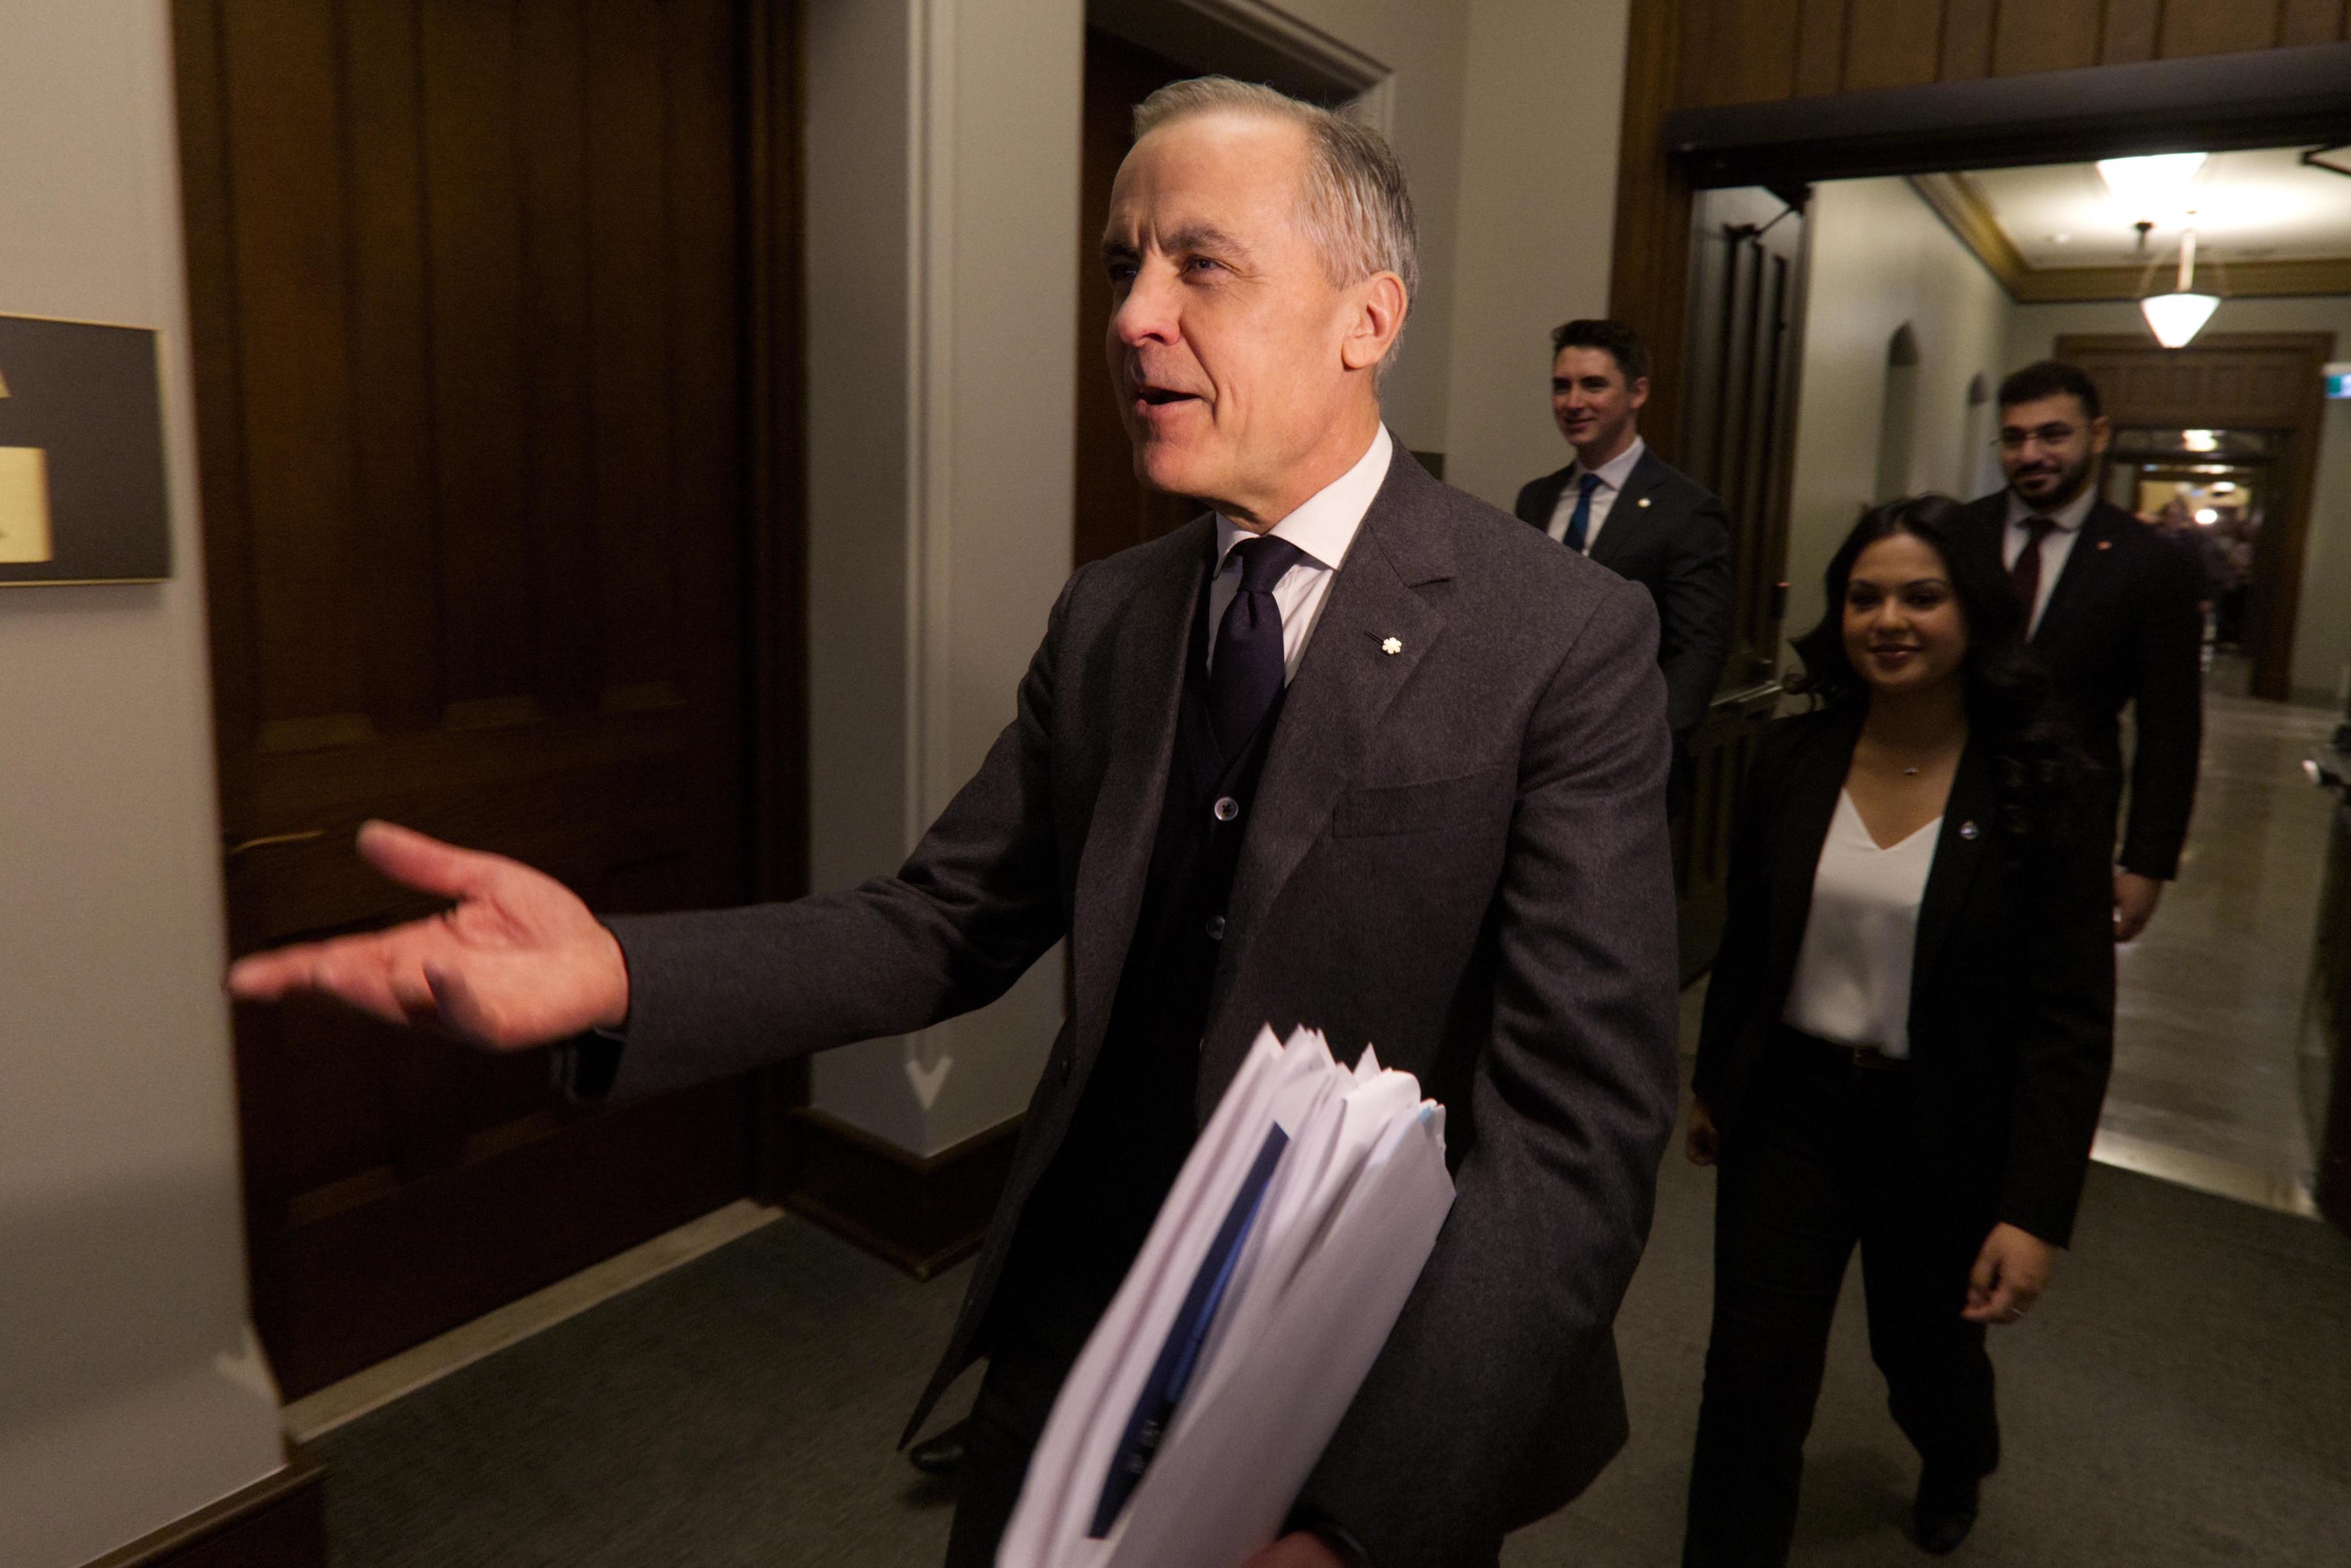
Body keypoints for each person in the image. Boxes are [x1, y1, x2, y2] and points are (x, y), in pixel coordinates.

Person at [229, 77, 1682, 1568]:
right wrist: (617, 973)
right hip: (1077, 1336)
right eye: (1124, 266)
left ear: (1365, 318)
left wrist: (1355, 1528)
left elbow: (1571, 1140)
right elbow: (940, 920)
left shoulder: (1558, 637)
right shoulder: (1114, 614)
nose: (1131, 316)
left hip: (1365, 1383)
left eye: (1201, 263)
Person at [1681, 496, 2115, 1565]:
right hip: (1793, 1110)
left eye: (1922, 596)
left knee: (1922, 1355)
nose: (1890, 619)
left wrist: (2034, 1209)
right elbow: (1751, 945)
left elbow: (2070, 1018)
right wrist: (1714, 1084)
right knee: (1751, 1372)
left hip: (1944, 1125)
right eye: (1865, 596)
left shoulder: (2040, 783)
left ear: (1972, 609)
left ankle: (1955, 1455)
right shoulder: (1793, 760)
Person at [1956, 360, 2203, 941]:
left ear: (2097, 434)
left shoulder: (2152, 563)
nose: (2031, 454)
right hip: (1946, 792)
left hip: (2068, 819)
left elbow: (2171, 725)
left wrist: (2147, 861)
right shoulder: (1957, 534)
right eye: (2014, 438)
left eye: (2053, 434)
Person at [1513, 319, 1733, 748]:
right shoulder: (1536, 499)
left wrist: (1644, 745)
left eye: (1594, 386)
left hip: (1630, 754)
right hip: (1536, 749)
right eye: (1562, 387)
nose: (1573, 402)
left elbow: (1698, 652)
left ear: (1638, 392)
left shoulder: (1686, 510)